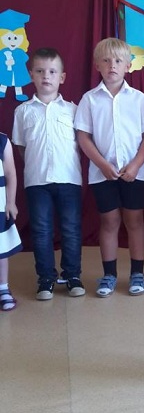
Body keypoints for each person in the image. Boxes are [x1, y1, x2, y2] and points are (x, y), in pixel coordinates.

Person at [74, 37, 144, 298]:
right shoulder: (89, 99)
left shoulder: (139, 99)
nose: (112, 65)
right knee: (109, 222)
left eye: (118, 61)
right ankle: (109, 274)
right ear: (97, 65)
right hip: (102, 174)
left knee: (135, 221)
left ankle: (137, 274)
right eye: (107, 60)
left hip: (134, 173)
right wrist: (102, 164)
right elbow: (83, 137)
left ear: (128, 66)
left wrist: (135, 165)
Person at [12, 48, 84, 300]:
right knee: (41, 231)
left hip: (69, 179)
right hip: (37, 181)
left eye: (52, 72)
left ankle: (72, 275)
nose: (46, 76)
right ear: (31, 75)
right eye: (40, 71)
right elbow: (21, 147)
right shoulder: (23, 111)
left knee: (71, 229)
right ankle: (45, 278)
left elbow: (81, 143)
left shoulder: (73, 110)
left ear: (62, 77)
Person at [0, 133, 22, 310]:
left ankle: (3, 288)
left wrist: (10, 202)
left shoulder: (2, 140)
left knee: (1, 249)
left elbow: (10, 173)